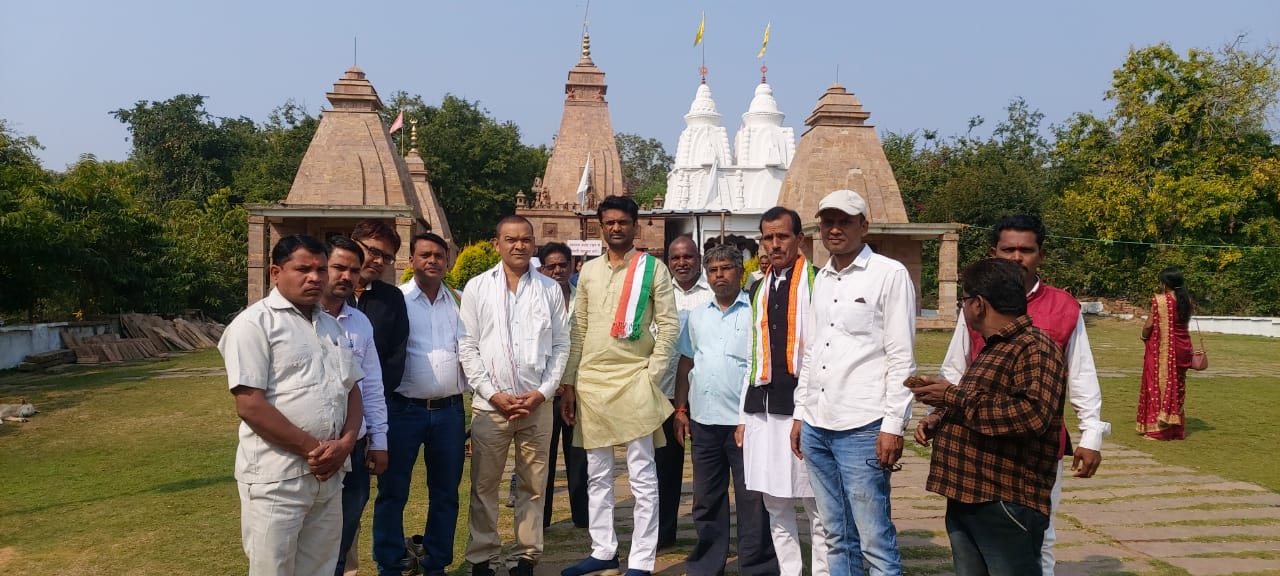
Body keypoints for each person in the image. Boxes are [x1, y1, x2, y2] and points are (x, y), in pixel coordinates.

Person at [936, 214, 1110, 575]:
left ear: (1040, 255)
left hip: (1034, 448)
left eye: (1025, 250)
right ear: (993, 252)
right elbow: (956, 367)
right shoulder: (976, 303)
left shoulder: (1062, 308)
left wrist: (1091, 433)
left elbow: (1080, 372)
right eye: (1008, 249)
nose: (1016, 257)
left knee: (1036, 535)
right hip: (979, 445)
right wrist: (939, 414)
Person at [219, 234, 364, 576]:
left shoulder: (331, 325)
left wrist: (345, 444)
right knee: (274, 569)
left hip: (328, 476)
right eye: (302, 269)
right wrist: (315, 450)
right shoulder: (254, 325)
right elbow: (250, 405)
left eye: (319, 269)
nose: (315, 277)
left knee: (321, 568)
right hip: (278, 478)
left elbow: (352, 390)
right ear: (274, 272)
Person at [913, 258, 1068, 576]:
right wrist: (941, 419)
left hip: (1003, 502)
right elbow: (985, 406)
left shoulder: (1034, 348)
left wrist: (952, 396)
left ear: (979, 304)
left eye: (964, 300)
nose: (963, 307)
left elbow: (1031, 416)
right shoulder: (994, 348)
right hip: (969, 495)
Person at [795, 190, 915, 576]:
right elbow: (813, 351)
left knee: (875, 539)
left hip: (863, 426)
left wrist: (893, 426)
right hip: (818, 422)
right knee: (835, 534)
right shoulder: (823, 277)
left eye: (844, 221)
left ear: (863, 225)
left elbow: (901, 357)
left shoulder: (888, 274)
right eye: (828, 221)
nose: (834, 229)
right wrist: (801, 413)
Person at [560, 195, 679, 576]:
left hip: (634, 381)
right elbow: (577, 329)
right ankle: (603, 548)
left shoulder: (652, 269)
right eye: (608, 222)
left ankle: (641, 560)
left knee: (642, 474)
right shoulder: (589, 271)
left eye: (622, 222)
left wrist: (652, 376)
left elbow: (669, 327)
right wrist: (569, 382)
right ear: (600, 225)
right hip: (592, 383)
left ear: (635, 225)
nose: (615, 228)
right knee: (597, 473)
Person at [459, 216, 570, 576]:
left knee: (533, 484)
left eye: (525, 239)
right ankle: (483, 556)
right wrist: (493, 394)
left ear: (533, 244)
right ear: (497, 244)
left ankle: (527, 555)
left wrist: (543, 392)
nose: (518, 246)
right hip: (491, 407)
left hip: (537, 406)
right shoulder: (477, 287)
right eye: (511, 239)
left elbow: (560, 346)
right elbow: (468, 346)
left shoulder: (549, 289)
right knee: (484, 486)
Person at [674, 244, 778, 576]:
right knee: (706, 499)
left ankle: (757, 566)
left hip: (744, 423)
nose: (720, 275)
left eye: (726, 268)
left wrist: (752, 417)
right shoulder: (697, 315)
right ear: (707, 274)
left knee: (753, 499)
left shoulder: (755, 312)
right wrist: (680, 409)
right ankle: (706, 565)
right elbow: (687, 361)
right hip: (704, 421)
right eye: (713, 269)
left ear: (740, 271)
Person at [741, 206, 830, 576]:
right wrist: (741, 417)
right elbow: (751, 353)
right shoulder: (759, 288)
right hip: (762, 407)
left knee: (817, 504)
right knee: (775, 501)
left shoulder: (818, 282)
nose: (774, 245)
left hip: (806, 408)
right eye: (768, 238)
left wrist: (807, 411)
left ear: (800, 240)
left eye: (782, 237)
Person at [373, 232, 466, 576]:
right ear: (410, 261)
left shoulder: (458, 300)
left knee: (445, 492)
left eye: (439, 255)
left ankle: (436, 560)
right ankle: (390, 561)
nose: (432, 260)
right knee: (393, 490)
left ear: (447, 261)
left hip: (449, 411)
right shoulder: (396, 300)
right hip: (403, 411)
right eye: (424, 255)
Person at [321, 237, 390, 576]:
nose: (346, 276)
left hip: (355, 444)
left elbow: (372, 385)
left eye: (353, 269)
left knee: (345, 531)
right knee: (307, 537)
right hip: (311, 447)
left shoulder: (359, 323)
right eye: (338, 267)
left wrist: (378, 441)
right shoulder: (298, 319)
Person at [347, 219, 410, 574]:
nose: (378, 261)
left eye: (386, 257)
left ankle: (386, 563)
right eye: (372, 251)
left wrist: (373, 419)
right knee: (329, 510)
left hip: (376, 413)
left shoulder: (390, 298)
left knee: (366, 498)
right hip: (326, 419)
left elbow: (392, 362)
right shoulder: (326, 295)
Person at [654, 235, 713, 549]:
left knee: (708, 473)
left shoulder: (714, 291)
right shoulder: (659, 293)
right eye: (675, 258)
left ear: (698, 259)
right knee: (664, 468)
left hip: (706, 394)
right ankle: (663, 535)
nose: (682, 263)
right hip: (664, 393)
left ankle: (710, 537)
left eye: (688, 257)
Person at [537, 242, 589, 528]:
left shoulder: (583, 298)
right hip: (544, 391)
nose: (557, 270)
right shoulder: (535, 299)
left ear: (572, 266)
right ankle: (541, 518)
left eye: (562, 265)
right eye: (551, 265)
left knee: (579, 454)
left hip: (578, 388)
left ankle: (582, 516)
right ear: (542, 269)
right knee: (543, 456)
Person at [1137, 267, 1194, 440]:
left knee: (1160, 386)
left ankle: (1160, 430)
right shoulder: (1187, 300)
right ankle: (1176, 429)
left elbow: (1149, 325)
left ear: (1165, 283)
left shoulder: (1161, 301)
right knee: (1177, 387)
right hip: (1183, 348)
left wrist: (1143, 336)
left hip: (1164, 351)